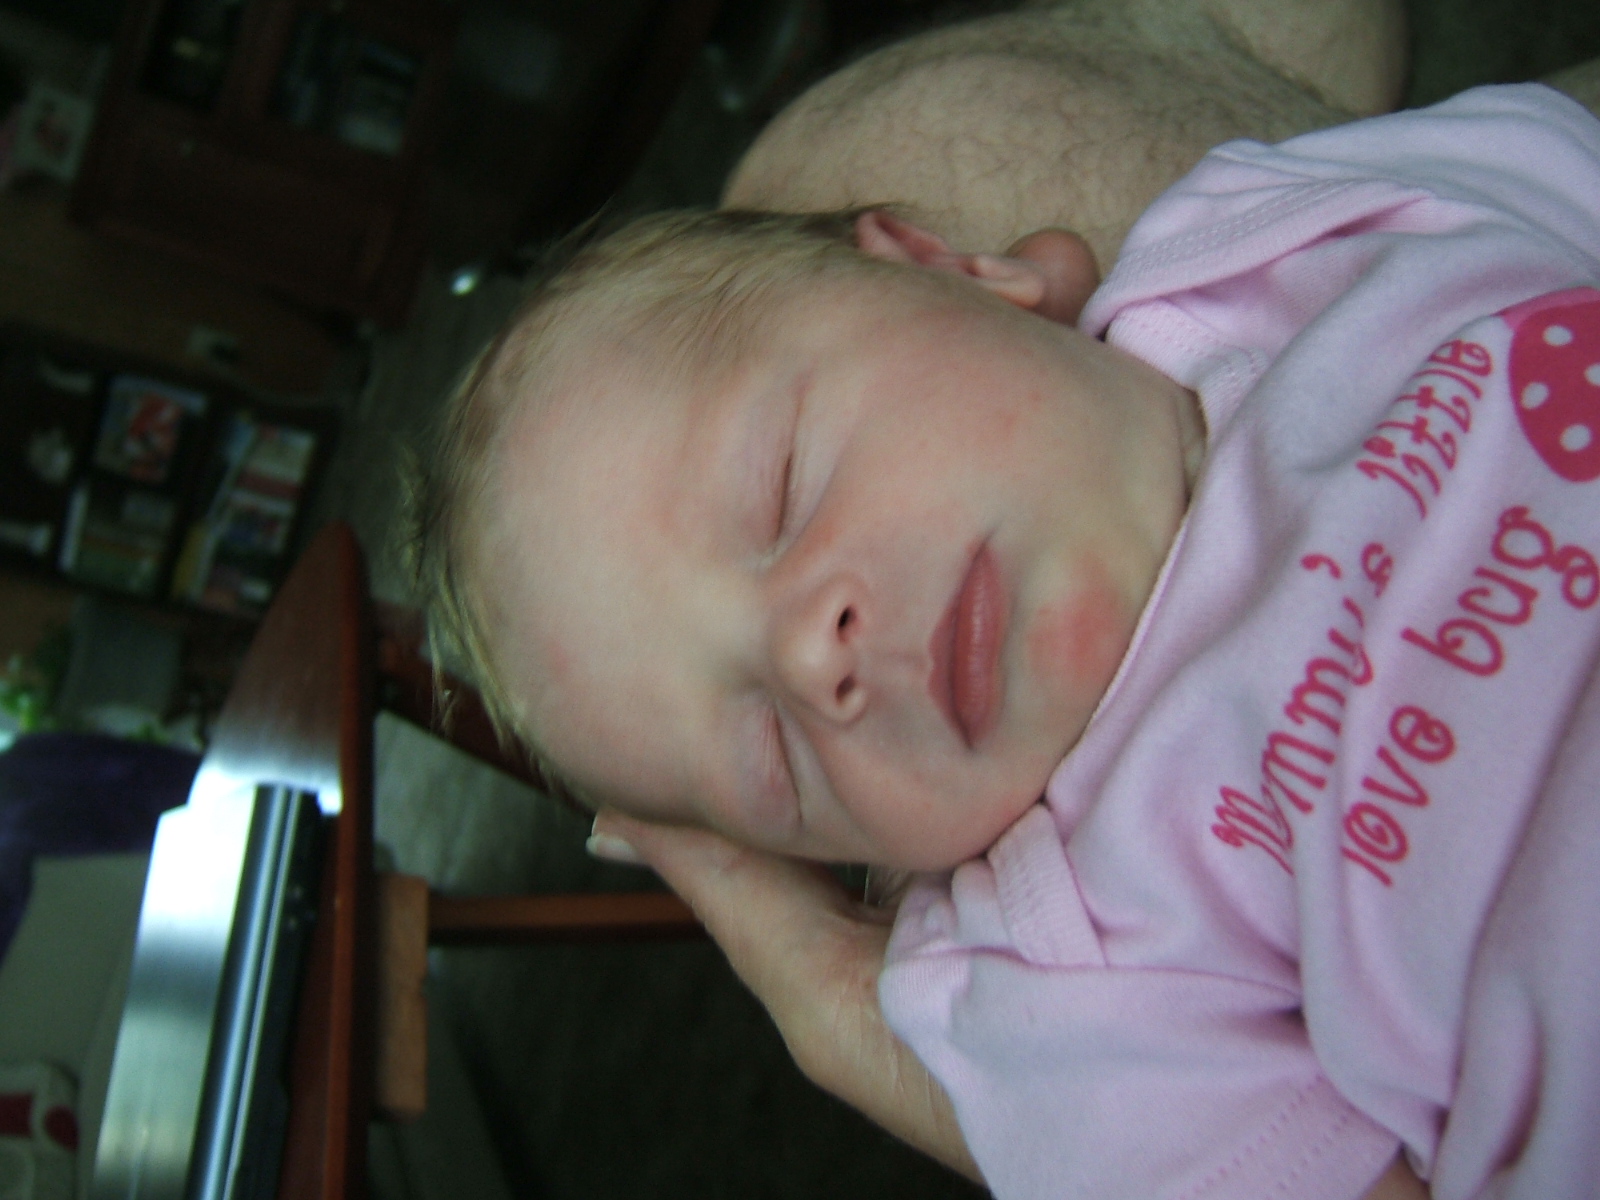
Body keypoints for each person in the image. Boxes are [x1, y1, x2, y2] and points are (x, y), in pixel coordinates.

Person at [408, 4, 1600, 1197]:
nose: (812, 660)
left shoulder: (1269, 238)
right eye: (770, 755)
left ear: (958, 272)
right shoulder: (1052, 979)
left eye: (784, 485)